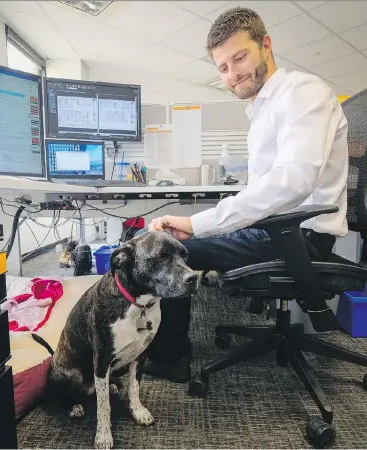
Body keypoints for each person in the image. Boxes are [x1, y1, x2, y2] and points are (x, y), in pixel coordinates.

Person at [143, 6, 349, 383]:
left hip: (298, 238)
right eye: (222, 67)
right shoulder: (261, 110)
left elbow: (293, 182)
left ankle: (170, 356)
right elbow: (264, 193)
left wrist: (196, 223)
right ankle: (158, 344)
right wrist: (201, 226)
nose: (232, 73)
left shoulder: (302, 92)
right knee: (168, 238)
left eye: (240, 57)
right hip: (278, 231)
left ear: (266, 45)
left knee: (164, 251)